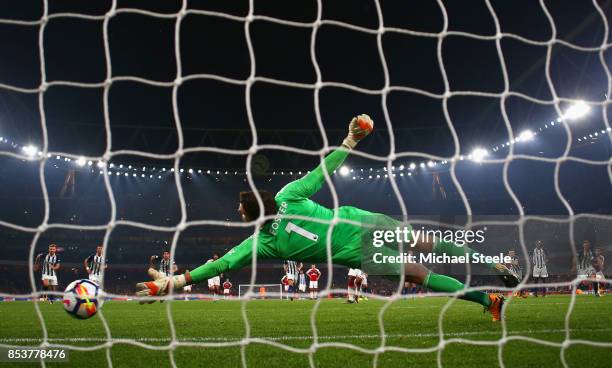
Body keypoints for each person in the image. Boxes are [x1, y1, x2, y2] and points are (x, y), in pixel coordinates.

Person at [137, 114, 517, 321]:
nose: (237, 211)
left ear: (252, 214)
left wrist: (177, 281)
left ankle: (488, 300)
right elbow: (324, 171)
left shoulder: (262, 243)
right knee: (428, 244)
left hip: (359, 253)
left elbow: (223, 263)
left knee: (423, 276)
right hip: (361, 222)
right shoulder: (287, 195)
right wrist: (351, 140)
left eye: (240, 208)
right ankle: (491, 266)